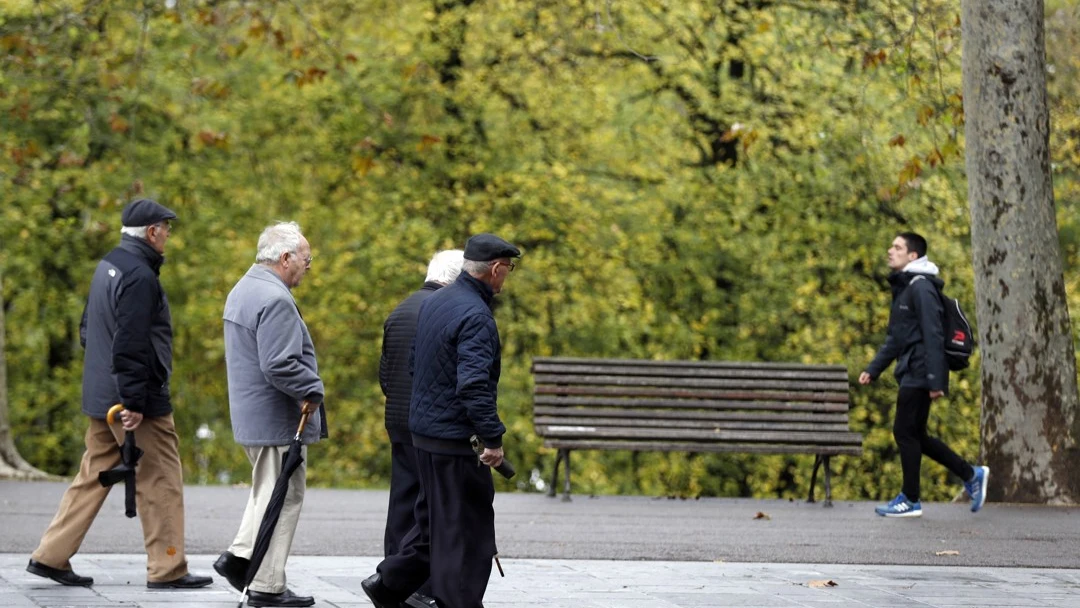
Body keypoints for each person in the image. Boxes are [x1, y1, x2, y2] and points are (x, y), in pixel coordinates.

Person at [27, 199, 213, 589]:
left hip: (102, 394)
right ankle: (167, 568)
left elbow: (87, 329)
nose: (168, 235)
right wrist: (133, 401)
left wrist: (109, 386)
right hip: (133, 401)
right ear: (151, 232)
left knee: (94, 474)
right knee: (160, 478)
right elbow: (130, 344)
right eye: (166, 228)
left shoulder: (108, 265)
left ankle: (51, 555)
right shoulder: (140, 277)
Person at [362, 233, 520, 608]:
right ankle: (457, 601)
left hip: (424, 436)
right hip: (455, 441)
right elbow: (473, 385)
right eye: (507, 270)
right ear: (495, 269)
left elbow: (416, 366)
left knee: (433, 521)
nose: (506, 277)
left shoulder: (437, 303)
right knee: (466, 531)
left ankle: (389, 583)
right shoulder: (476, 316)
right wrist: (493, 440)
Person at [214, 222, 326, 608]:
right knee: (284, 496)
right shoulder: (274, 298)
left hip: (253, 416)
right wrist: (313, 389)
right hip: (276, 419)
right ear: (285, 258)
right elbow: (279, 364)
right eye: (306, 260)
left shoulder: (243, 288)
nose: (308, 267)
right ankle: (266, 584)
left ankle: (240, 557)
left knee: (267, 492)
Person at [859, 232, 989, 518]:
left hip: (920, 370)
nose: (890, 251)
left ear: (913, 255)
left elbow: (934, 333)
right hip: (913, 368)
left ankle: (911, 498)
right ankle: (971, 473)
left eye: (897, 247)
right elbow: (896, 337)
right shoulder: (907, 288)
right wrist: (873, 368)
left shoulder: (921, 287)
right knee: (916, 434)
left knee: (904, 431)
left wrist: (936, 380)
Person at [378, 249, 464, 608]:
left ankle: (391, 579)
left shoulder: (400, 310)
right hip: (429, 424)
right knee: (431, 506)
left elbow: (385, 373)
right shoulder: (444, 312)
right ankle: (418, 584)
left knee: (402, 500)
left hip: (397, 418)